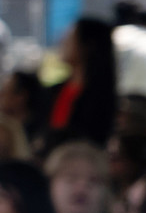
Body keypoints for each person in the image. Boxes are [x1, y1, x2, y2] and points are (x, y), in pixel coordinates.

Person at [47, 17, 118, 149]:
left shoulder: (100, 99)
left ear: (88, 45)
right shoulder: (54, 91)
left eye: (70, 38)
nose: (62, 42)